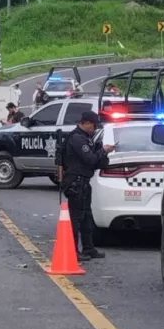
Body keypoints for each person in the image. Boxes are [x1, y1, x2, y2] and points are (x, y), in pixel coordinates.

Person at [59, 111, 115, 261]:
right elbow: (90, 159)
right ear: (87, 123)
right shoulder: (77, 139)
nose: (95, 129)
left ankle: (88, 248)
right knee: (76, 219)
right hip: (76, 183)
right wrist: (103, 150)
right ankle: (73, 251)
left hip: (83, 183)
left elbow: (96, 162)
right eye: (94, 125)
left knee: (87, 219)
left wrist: (103, 153)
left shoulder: (86, 138)